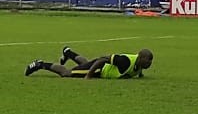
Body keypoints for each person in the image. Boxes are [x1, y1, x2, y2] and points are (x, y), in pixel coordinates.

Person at [25, 46, 153, 79]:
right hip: (99, 68)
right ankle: (40, 64)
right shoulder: (125, 61)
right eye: (148, 61)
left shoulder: (139, 65)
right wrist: (89, 75)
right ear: (141, 58)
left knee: (83, 64)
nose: (149, 64)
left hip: (101, 70)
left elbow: (137, 71)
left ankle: (68, 53)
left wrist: (140, 75)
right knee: (67, 73)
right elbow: (103, 59)